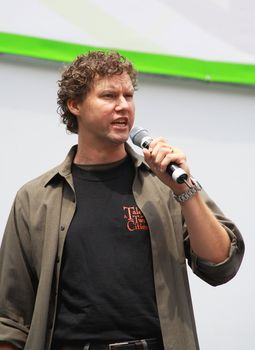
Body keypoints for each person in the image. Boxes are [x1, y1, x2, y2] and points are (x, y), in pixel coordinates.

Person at [0, 51, 244, 350]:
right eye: (109, 96)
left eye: (128, 95)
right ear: (74, 105)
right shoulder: (36, 197)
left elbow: (221, 264)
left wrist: (185, 190)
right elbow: (10, 318)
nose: (123, 106)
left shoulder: (165, 182)